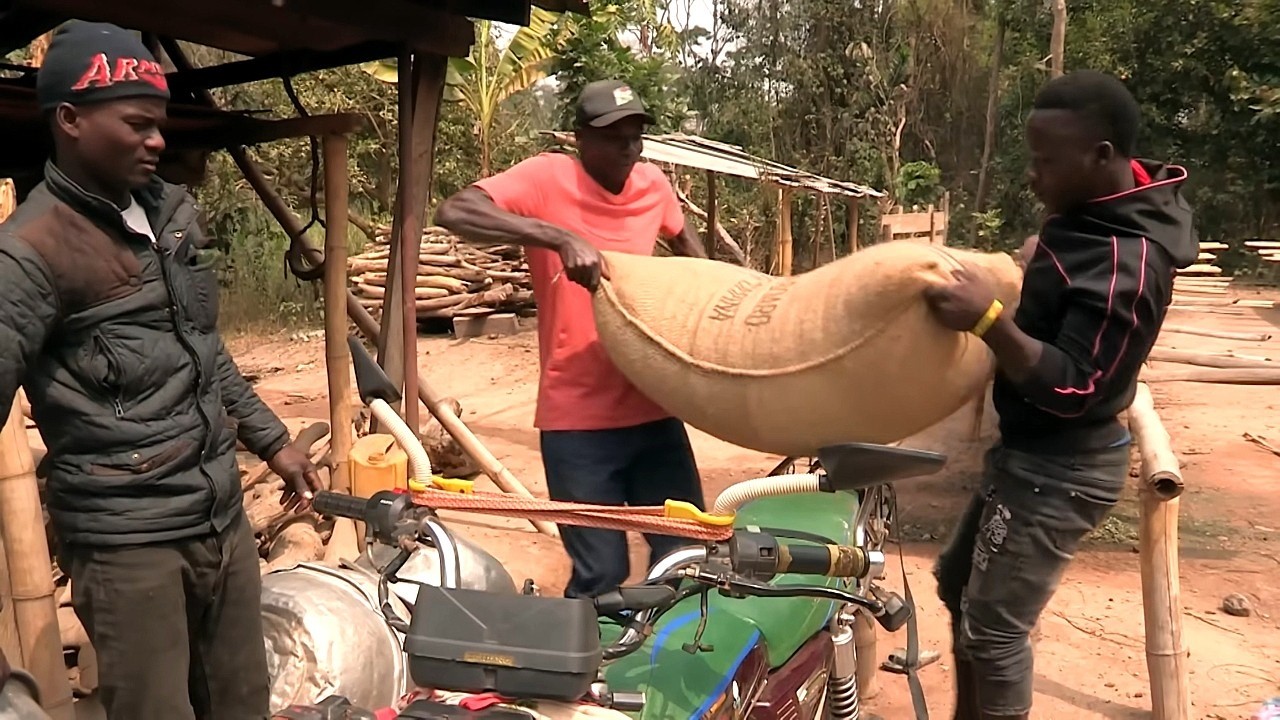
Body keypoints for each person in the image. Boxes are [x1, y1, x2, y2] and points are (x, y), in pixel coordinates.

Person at [0, 21, 322, 719]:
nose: (156, 140)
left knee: (243, 701)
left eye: (160, 124)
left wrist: (272, 441)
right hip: (129, 544)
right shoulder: (30, 253)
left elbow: (203, 349)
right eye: (137, 124)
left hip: (221, 520)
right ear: (71, 120)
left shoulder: (169, 214)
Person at [923, 70, 1197, 720]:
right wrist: (1037, 263)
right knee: (957, 584)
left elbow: (1078, 385)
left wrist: (990, 320)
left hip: (1061, 470)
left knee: (995, 632)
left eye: (1046, 161)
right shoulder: (1094, 215)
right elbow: (1070, 286)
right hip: (1030, 454)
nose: (1032, 176)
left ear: (1101, 156)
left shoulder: (1129, 264)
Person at [436, 79, 709, 598]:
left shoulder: (653, 185)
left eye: (636, 136)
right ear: (580, 138)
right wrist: (559, 237)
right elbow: (455, 211)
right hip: (579, 426)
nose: (629, 148)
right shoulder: (547, 177)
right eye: (614, 137)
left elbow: (691, 252)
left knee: (687, 558)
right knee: (601, 574)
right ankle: (588, 653)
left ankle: (667, 652)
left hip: (655, 412)